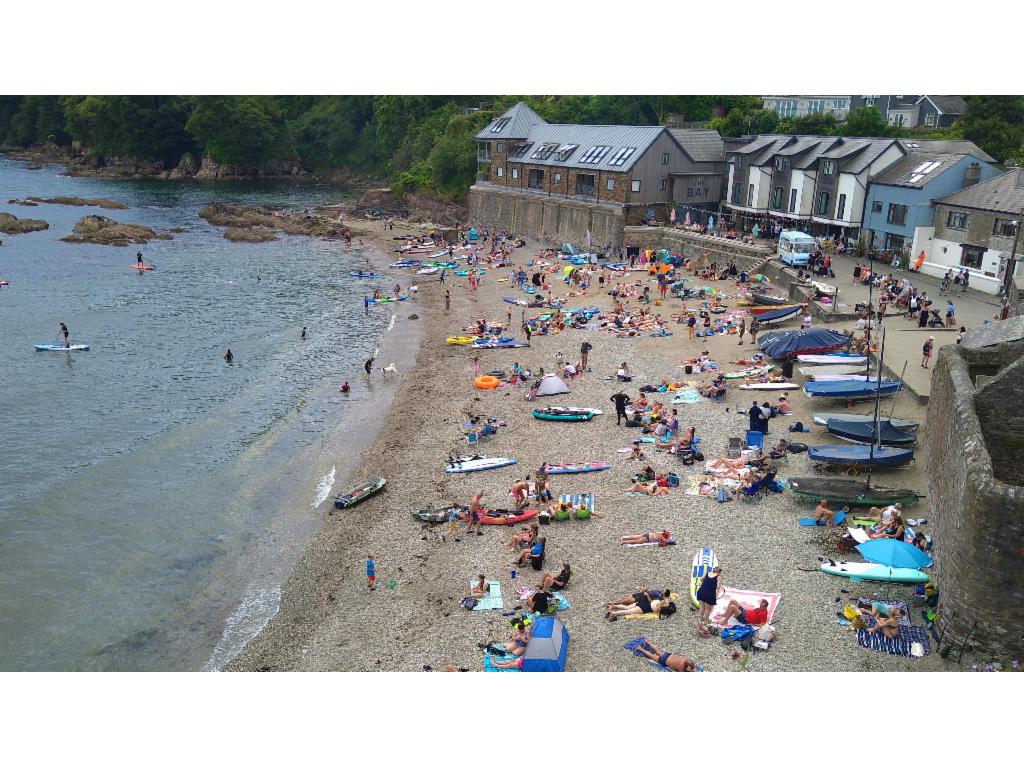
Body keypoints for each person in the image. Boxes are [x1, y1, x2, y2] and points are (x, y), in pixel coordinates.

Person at [633, 640, 697, 672]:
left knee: (658, 651)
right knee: (652, 656)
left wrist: (693, 668)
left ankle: (647, 642)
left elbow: (691, 663)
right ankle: (640, 648)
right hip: (664, 661)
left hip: (668, 655)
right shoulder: (682, 667)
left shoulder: (686, 658)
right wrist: (692, 670)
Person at [606, 597, 676, 620]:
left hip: (641, 604)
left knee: (626, 607)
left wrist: (663, 602)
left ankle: (614, 606)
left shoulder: (658, 600)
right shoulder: (659, 608)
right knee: (626, 611)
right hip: (642, 608)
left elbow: (665, 601)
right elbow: (659, 607)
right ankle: (612, 613)